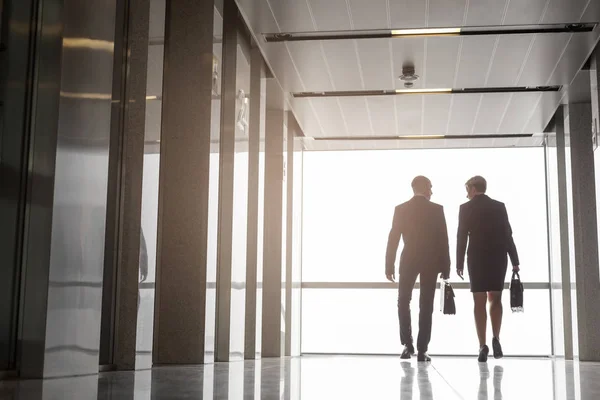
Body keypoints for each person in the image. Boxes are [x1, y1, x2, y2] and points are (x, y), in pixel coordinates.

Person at [385, 176, 451, 362]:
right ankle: (422, 350)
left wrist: (389, 264)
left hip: (408, 260)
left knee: (403, 301)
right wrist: (446, 266)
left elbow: (394, 238)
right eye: (430, 187)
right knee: (426, 304)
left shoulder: (401, 209)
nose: (432, 191)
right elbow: (443, 240)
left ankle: (408, 345)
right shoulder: (437, 209)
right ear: (424, 187)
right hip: (431, 262)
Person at [456, 176, 520, 362]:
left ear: (474, 189)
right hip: (497, 256)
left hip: (476, 257)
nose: (466, 193)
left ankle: (482, 346)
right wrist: (515, 259)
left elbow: (461, 236)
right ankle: (496, 338)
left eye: (467, 188)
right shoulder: (499, 206)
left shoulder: (465, 208)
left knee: (479, 301)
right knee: (495, 298)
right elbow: (507, 234)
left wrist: (459, 262)